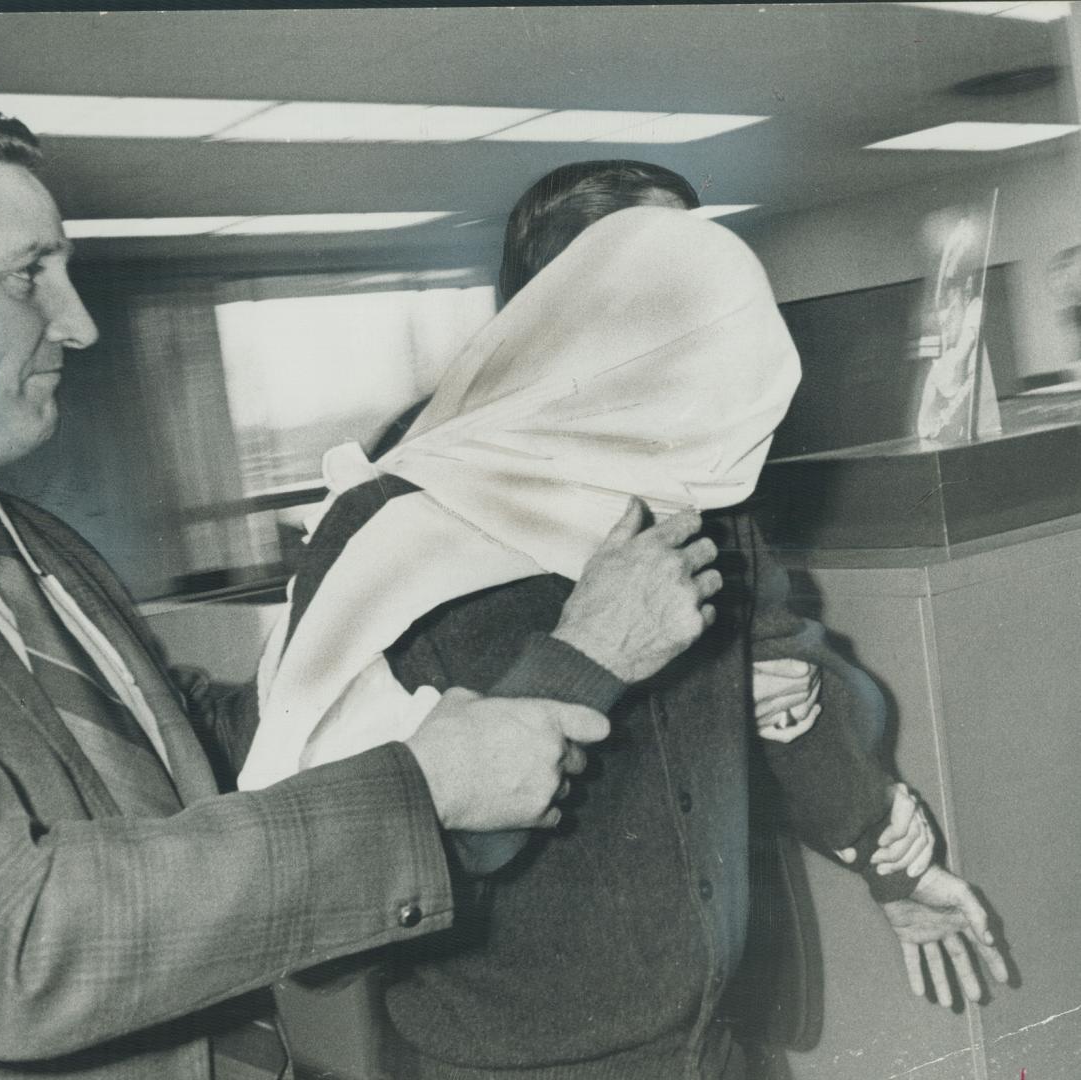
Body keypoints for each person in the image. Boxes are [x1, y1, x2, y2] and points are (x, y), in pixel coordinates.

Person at [0, 99, 734, 1080]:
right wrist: (430, 783)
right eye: (26, 276)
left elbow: (176, 745)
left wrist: (345, 636)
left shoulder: (19, 535)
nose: (79, 323)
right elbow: (11, 948)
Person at [241, 162, 1009, 1080]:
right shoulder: (389, 525)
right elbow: (332, 890)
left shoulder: (698, 491)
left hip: (721, 1048)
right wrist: (583, 657)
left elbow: (787, 699)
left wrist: (894, 866)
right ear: (552, 308)